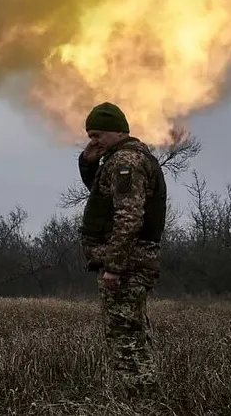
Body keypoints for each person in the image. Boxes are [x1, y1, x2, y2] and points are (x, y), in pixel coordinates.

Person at [76, 101, 168, 398]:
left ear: (118, 131)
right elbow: (103, 195)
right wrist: (88, 163)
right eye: (90, 135)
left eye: (98, 134)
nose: (94, 140)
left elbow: (128, 217)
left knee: (124, 338)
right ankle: (148, 397)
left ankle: (144, 403)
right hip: (133, 262)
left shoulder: (126, 161)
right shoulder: (124, 158)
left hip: (127, 266)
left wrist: (115, 266)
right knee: (133, 334)